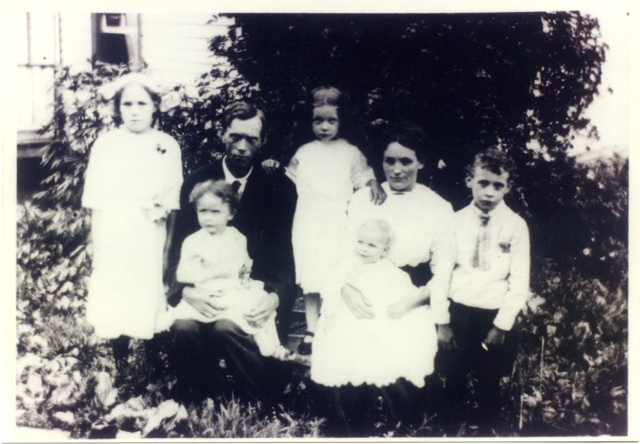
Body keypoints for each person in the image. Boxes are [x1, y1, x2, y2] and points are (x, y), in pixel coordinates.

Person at [322, 123, 453, 435]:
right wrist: (346, 291)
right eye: (389, 161)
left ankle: (395, 423)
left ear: (421, 162)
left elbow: (445, 270)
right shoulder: (364, 199)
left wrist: (413, 300)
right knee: (344, 335)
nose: (396, 170)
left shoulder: (438, 208)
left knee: (400, 342)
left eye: (406, 161)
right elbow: (340, 256)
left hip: (408, 297)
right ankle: (350, 421)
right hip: (357, 290)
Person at [166, 102, 297, 403]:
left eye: (251, 139)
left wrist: (275, 297)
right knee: (185, 326)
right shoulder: (198, 182)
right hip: (202, 291)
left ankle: (256, 400)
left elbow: (284, 256)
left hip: (252, 293)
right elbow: (178, 250)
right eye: (234, 137)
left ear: (262, 141)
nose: (241, 147)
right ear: (222, 134)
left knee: (228, 328)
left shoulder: (279, 188)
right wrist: (184, 293)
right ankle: (196, 397)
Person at [81, 73, 183, 370]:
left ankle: (152, 357)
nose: (135, 110)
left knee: (147, 285)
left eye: (142, 103)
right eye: (127, 104)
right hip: (115, 224)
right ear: (118, 108)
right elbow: (96, 198)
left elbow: (173, 197)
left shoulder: (167, 144)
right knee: (117, 286)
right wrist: (97, 242)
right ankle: (121, 359)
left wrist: (167, 250)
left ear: (155, 106)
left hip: (150, 227)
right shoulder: (106, 143)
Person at [285, 86, 386, 355]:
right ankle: (311, 329)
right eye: (318, 121)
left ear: (342, 122)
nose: (325, 127)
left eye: (331, 120)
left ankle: (331, 328)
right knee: (310, 276)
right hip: (308, 219)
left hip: (336, 220)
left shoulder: (350, 152)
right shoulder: (304, 152)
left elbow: (362, 175)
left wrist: (373, 181)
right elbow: (288, 180)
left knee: (332, 272)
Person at [311, 219, 437, 435]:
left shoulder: (392, 273)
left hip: (378, 325)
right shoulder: (347, 268)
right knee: (341, 356)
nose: (363, 249)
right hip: (348, 322)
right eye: (360, 242)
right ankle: (347, 416)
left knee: (383, 358)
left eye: (372, 245)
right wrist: (330, 317)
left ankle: (393, 419)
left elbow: (402, 299)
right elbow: (332, 291)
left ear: (385, 250)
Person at [437, 148, 530, 428]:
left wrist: (502, 325)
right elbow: (442, 272)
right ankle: (450, 424)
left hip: (493, 313)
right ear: (469, 180)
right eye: (483, 183)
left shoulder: (515, 225)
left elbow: (520, 278)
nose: (489, 192)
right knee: (453, 372)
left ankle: (488, 426)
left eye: (498, 185)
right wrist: (442, 321)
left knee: (490, 376)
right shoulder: (454, 222)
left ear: (508, 187)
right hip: (460, 311)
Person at [157, 180, 288, 359]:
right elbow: (183, 273)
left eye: (215, 212)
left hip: (232, 287)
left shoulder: (237, 237)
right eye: (203, 211)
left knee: (254, 304)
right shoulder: (193, 241)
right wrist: (206, 273)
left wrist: (243, 273)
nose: (208, 218)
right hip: (206, 290)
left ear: (230, 213)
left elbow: (243, 264)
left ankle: (271, 342)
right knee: (185, 316)